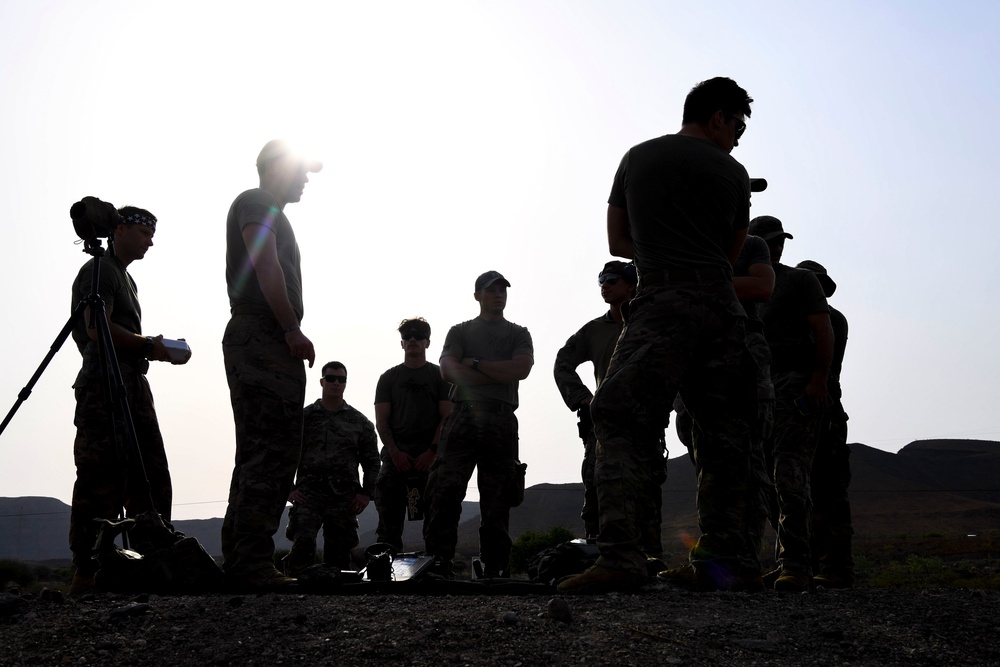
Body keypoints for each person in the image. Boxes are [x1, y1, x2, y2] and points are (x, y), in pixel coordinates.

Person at [558, 77, 758, 595]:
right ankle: (725, 564)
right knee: (723, 433)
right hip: (720, 306)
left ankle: (622, 557)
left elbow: (618, 240)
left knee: (619, 416)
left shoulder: (638, 157)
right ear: (717, 117)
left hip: (662, 300)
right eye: (737, 125)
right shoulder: (735, 174)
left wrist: (661, 242)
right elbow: (731, 252)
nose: (737, 137)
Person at [68, 205, 191, 593]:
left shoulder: (124, 278)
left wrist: (148, 349)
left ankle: (152, 564)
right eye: (144, 233)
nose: (150, 242)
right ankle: (88, 572)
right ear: (120, 229)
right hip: (105, 381)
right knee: (100, 476)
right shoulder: (100, 270)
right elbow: (94, 328)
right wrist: (148, 345)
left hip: (131, 382)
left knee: (150, 476)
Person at [221, 139, 320, 590]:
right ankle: (252, 563)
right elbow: (265, 265)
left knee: (256, 453)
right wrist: (290, 328)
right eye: (300, 170)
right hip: (264, 335)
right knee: (273, 452)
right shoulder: (258, 202)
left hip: (263, 335)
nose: (304, 179)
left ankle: (240, 559)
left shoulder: (272, 212)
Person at [671, 232, 777, 582]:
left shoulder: (751, 244)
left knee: (744, 456)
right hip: (693, 352)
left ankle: (740, 561)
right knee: (707, 459)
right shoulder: (685, 243)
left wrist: (695, 285)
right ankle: (721, 561)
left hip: (740, 350)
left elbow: (762, 287)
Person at [553, 261, 667, 561]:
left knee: (646, 495)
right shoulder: (593, 331)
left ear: (632, 286)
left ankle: (649, 562)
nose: (605, 284)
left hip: (644, 425)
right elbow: (562, 363)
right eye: (601, 279)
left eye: (613, 279)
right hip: (602, 429)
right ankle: (602, 560)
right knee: (598, 494)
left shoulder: (653, 325)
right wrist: (584, 400)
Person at [423, 271, 533, 578]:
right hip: (463, 417)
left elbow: (521, 369)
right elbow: (448, 372)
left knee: (497, 497)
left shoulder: (518, 333)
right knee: (445, 489)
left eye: (502, 289)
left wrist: (474, 364)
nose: (499, 294)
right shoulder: (459, 332)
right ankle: (438, 562)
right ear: (477, 295)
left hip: (501, 419)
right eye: (491, 289)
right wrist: (498, 373)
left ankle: (494, 566)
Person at [751, 215, 835, 592]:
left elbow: (823, 328)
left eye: (780, 240)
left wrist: (818, 381)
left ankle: (797, 565)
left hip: (795, 385)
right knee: (761, 480)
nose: (777, 246)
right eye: (768, 240)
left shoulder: (800, 281)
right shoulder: (742, 285)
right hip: (754, 389)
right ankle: (784, 558)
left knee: (790, 475)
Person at [284, 362, 380, 575]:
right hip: (308, 496)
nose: (336, 383)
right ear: (322, 381)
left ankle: (334, 602)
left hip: (344, 499)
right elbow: (285, 454)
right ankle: (293, 596)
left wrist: (366, 494)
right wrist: (289, 489)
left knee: (339, 561)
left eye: (341, 379)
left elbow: (372, 461)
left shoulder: (359, 422)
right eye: (330, 378)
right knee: (302, 548)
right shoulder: (303, 418)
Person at [796, 259, 854, 588]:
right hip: (807, 411)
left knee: (829, 492)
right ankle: (814, 563)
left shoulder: (830, 320)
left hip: (825, 412)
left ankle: (837, 566)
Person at [372, 318, 452, 552]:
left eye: (418, 336)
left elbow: (446, 417)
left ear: (427, 342)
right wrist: (395, 453)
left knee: (439, 515)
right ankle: (385, 568)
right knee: (388, 517)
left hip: (432, 455)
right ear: (402, 343)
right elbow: (382, 421)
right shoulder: (388, 378)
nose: (413, 340)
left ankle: (438, 568)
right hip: (397, 455)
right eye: (408, 336)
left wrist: (433, 451)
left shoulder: (441, 377)